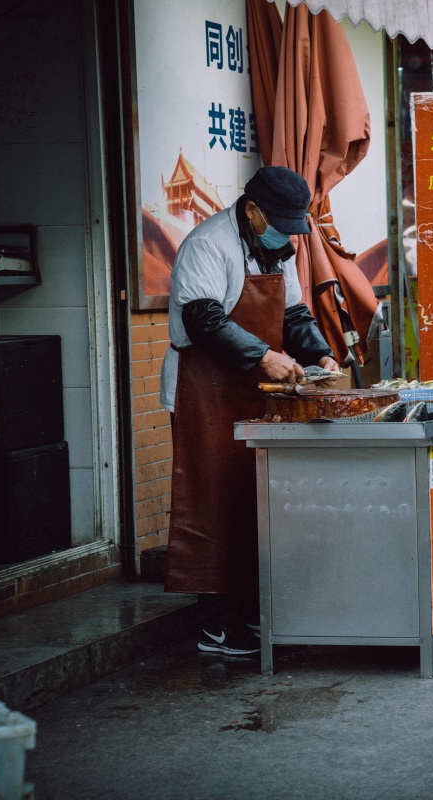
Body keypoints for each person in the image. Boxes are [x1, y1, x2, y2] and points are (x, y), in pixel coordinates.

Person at [159, 166, 339, 657]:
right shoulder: (208, 243)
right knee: (212, 503)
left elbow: (295, 314)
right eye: (279, 220)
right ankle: (216, 626)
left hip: (255, 390)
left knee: (253, 502)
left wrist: (318, 354)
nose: (287, 232)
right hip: (204, 391)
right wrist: (263, 355)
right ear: (253, 209)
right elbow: (203, 318)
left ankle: (250, 615)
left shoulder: (278, 246)